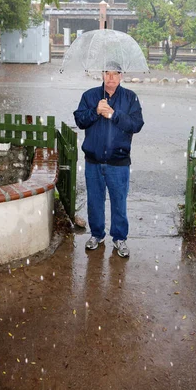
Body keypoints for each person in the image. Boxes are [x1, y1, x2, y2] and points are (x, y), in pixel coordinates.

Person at [74, 62, 144, 258]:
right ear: (102, 75)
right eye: (107, 73)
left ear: (121, 76)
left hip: (119, 161)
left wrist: (113, 114)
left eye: (116, 73)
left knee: (118, 202)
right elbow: (80, 121)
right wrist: (95, 111)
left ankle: (119, 238)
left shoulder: (130, 97)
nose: (111, 77)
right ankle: (97, 234)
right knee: (94, 201)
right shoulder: (89, 96)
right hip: (93, 160)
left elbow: (136, 124)